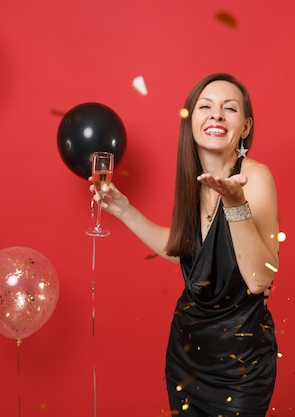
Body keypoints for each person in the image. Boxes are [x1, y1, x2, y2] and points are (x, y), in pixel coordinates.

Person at [91, 73, 279, 417]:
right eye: (205, 106)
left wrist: (236, 204)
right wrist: (125, 211)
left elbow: (259, 279)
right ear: (191, 120)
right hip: (187, 354)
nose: (217, 115)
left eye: (230, 108)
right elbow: (187, 250)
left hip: (240, 365)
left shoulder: (255, 177)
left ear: (245, 127)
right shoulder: (194, 180)